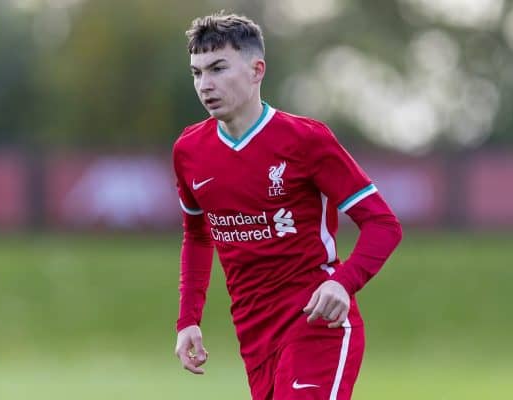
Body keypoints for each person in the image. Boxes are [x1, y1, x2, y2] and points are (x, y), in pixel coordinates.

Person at [172, 11, 402, 400]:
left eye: (217, 68)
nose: (205, 84)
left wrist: (342, 284)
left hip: (317, 324)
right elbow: (197, 236)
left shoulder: (304, 141)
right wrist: (188, 320)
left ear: (256, 70)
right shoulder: (189, 151)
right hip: (254, 335)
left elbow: (383, 224)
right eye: (197, 73)